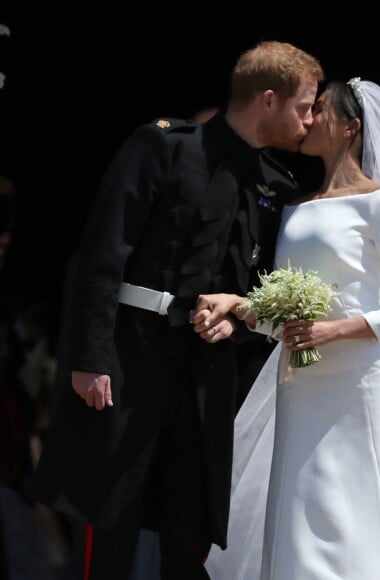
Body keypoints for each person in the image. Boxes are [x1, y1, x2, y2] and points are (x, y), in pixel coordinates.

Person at [32, 40, 324, 580]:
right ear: (268, 99)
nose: (310, 120)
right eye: (304, 107)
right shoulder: (164, 147)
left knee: (188, 533)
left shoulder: (274, 186)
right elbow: (102, 253)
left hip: (206, 379)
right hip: (128, 362)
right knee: (111, 521)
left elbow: (259, 295)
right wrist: (90, 357)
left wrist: (234, 325)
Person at [192, 79, 380, 579]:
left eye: (321, 111)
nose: (308, 120)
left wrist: (335, 331)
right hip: (302, 384)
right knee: (302, 521)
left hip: (364, 383)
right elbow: (292, 316)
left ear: (351, 127)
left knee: (369, 519)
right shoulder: (295, 205)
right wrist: (241, 306)